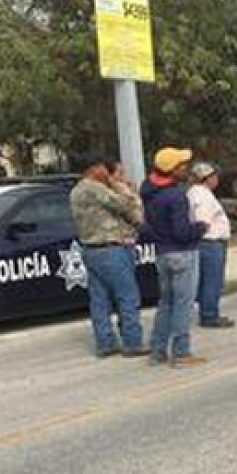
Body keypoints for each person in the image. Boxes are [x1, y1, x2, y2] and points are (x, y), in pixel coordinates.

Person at [69, 153, 146, 358]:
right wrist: (119, 185)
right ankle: (132, 342)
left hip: (90, 248)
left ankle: (105, 343)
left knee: (100, 300)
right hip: (111, 248)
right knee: (127, 296)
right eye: (103, 168)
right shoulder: (94, 188)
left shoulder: (76, 191)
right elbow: (123, 204)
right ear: (94, 168)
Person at [141, 148, 209, 368]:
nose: (185, 168)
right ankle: (181, 353)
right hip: (182, 252)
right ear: (173, 170)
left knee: (166, 303)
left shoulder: (149, 193)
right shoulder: (176, 195)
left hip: (162, 253)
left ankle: (157, 350)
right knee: (183, 305)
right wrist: (200, 227)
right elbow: (182, 232)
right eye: (182, 165)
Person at [187, 162, 234, 328]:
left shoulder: (198, 193)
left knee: (209, 279)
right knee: (212, 280)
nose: (217, 179)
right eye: (214, 176)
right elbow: (203, 221)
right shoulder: (201, 196)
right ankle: (209, 314)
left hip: (209, 242)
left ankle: (208, 311)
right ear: (206, 178)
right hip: (210, 242)